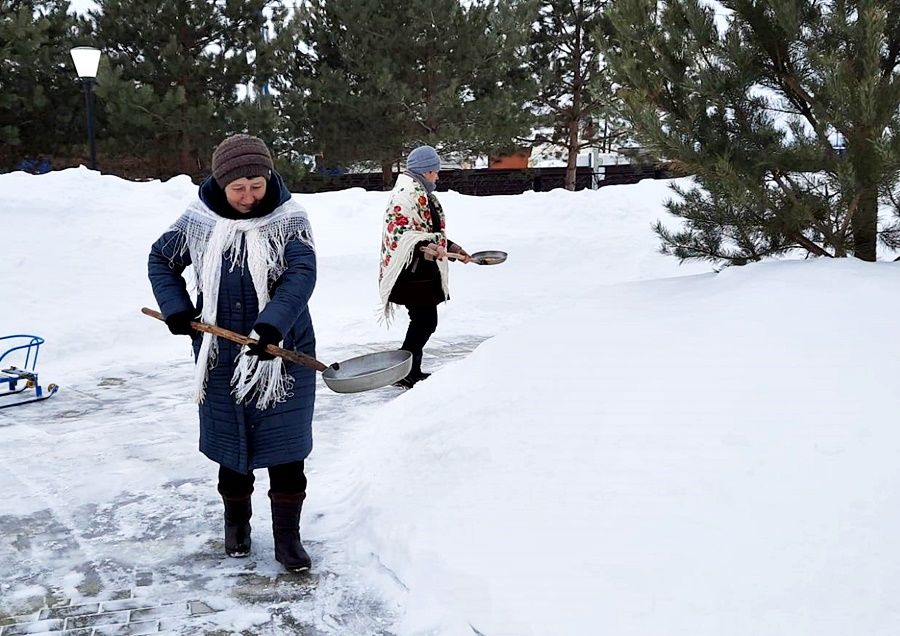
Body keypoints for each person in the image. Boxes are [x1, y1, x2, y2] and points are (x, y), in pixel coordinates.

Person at [147, 134, 317, 572]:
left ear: (269, 177)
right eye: (237, 189)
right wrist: (178, 309)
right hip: (220, 353)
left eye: (256, 186)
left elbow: (300, 273)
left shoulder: (289, 219)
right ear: (220, 184)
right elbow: (161, 260)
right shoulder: (198, 220)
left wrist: (272, 324)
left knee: (286, 453)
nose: (248, 197)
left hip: (281, 350)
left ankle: (287, 539)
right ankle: (236, 526)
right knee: (232, 452)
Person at [378, 145, 470, 388]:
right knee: (425, 321)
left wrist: (453, 248)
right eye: (435, 172)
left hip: (421, 270)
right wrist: (426, 247)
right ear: (426, 171)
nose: (437, 176)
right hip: (411, 272)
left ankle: (408, 369)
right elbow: (401, 233)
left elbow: (428, 231)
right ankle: (404, 370)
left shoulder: (419, 193)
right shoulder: (406, 195)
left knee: (423, 320)